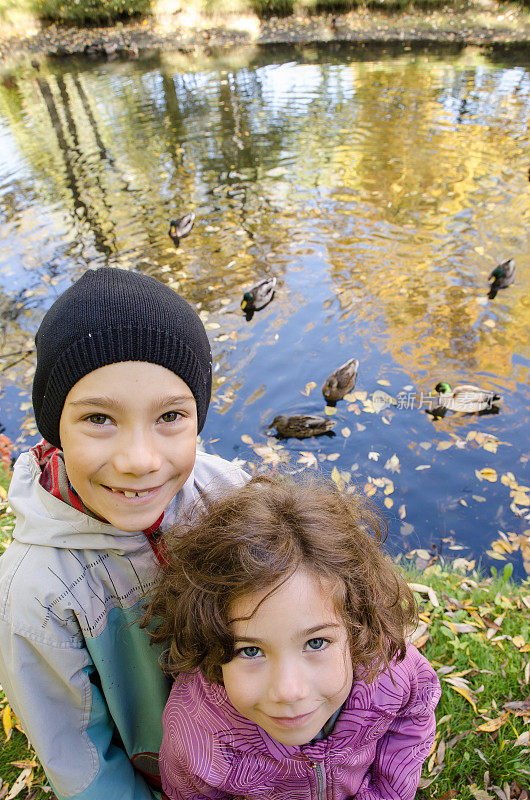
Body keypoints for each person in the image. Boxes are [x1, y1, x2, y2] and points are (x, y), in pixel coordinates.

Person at [0, 267, 247, 800]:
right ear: (54, 427)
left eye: (171, 416)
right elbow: (79, 756)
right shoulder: (34, 592)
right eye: (99, 419)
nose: (140, 461)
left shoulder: (229, 494)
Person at [146, 473, 441, 800]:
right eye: (250, 651)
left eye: (316, 643)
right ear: (209, 640)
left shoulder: (390, 673)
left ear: (356, 626)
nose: (288, 691)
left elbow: (413, 718)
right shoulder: (196, 735)